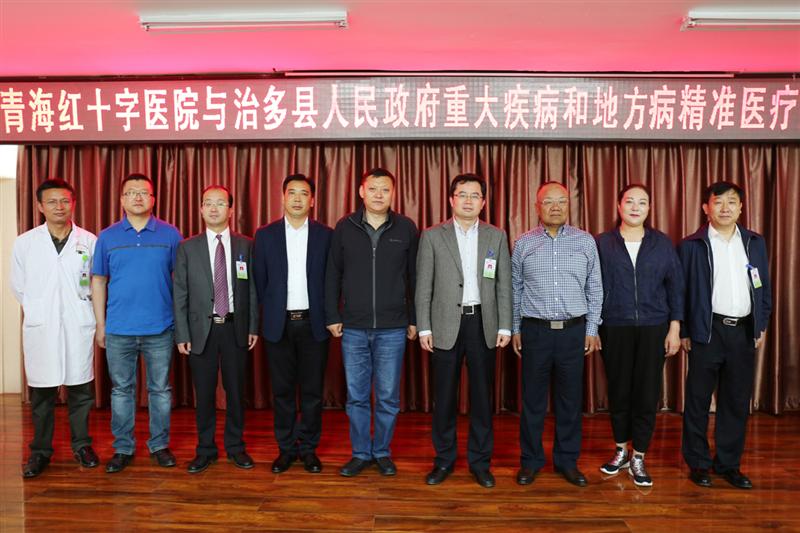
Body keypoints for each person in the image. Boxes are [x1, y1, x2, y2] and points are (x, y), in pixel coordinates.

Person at [415, 174, 512, 489]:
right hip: (444, 323)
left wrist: (505, 324)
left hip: (483, 323)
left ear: (483, 202)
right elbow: (423, 286)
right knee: (444, 398)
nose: (468, 201)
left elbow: (503, 284)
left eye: (475, 195)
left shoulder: (496, 236)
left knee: (482, 398)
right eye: (462, 194)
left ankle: (480, 463)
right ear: (451, 199)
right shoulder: (432, 236)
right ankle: (443, 460)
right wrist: (424, 326)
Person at [325, 167, 418, 477]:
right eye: (373, 188)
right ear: (362, 192)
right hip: (353, 326)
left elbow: (414, 277)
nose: (379, 194)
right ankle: (361, 453)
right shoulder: (345, 226)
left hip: (393, 327)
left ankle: (382, 452)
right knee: (357, 396)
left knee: (388, 396)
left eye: (385, 189)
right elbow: (333, 273)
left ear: (393, 194)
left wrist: (414, 319)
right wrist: (333, 315)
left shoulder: (406, 227)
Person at [680, 181, 771, 490]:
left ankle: (729, 464)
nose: (725, 208)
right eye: (718, 202)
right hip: (707, 331)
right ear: (706, 208)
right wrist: (685, 330)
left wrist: (760, 324)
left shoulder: (754, 242)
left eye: (731, 202)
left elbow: (763, 287)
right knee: (698, 400)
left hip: (743, 331)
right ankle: (698, 463)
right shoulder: (692, 245)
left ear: (741, 208)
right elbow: (682, 291)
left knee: (735, 401)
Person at [511, 181, 602, 488]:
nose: (555, 207)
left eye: (561, 201)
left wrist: (592, 329)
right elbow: (515, 289)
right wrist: (515, 328)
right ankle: (531, 461)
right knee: (533, 402)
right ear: (537, 207)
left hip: (573, 333)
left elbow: (595, 288)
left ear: (568, 206)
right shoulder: (524, 243)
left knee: (569, 401)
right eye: (548, 202)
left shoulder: (585, 242)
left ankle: (567, 461)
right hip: (535, 332)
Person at [92, 173, 183, 473]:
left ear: (153, 199)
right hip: (119, 329)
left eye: (144, 192)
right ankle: (123, 447)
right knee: (121, 391)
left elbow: (181, 281)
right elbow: (98, 281)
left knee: (160, 390)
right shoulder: (107, 237)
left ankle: (159, 445)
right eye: (131, 192)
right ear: (122, 199)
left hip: (161, 328)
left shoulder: (170, 234)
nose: (138, 197)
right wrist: (101, 325)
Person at [595, 184, 684, 487]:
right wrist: (594, 327)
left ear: (649, 208)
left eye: (642, 202)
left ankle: (639, 456)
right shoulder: (602, 243)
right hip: (614, 326)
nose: (635, 207)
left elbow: (676, 287)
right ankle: (621, 450)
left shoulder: (662, 243)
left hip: (654, 326)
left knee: (646, 393)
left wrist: (675, 328)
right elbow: (591, 286)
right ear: (618, 206)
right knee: (619, 390)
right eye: (629, 201)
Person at [11, 179, 99, 478]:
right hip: (43, 326)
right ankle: (40, 451)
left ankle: (82, 445)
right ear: (40, 206)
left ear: (73, 204)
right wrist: (40, 309)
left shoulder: (88, 241)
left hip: (78, 322)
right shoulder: (25, 243)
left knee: (81, 391)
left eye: (64, 201)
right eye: (51, 201)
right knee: (42, 395)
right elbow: (19, 286)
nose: (59, 207)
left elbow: (96, 282)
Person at [173, 185, 258, 474]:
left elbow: (253, 289)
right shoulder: (187, 247)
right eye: (208, 202)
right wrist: (182, 333)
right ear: (200, 209)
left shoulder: (246, 245)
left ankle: (236, 447)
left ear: (230, 210)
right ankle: (205, 449)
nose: (213, 208)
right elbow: (180, 292)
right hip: (201, 331)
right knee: (205, 394)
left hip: (235, 328)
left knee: (236, 392)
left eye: (220, 203)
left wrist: (253, 326)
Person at [253, 174, 333, 474]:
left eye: (304, 193)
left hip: (314, 324)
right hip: (279, 324)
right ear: (283, 197)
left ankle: (309, 449)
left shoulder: (326, 235)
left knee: (312, 392)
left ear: (313, 200)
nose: (298, 198)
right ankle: (286, 449)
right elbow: (259, 282)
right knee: (283, 392)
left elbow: (333, 280)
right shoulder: (265, 235)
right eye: (292, 193)